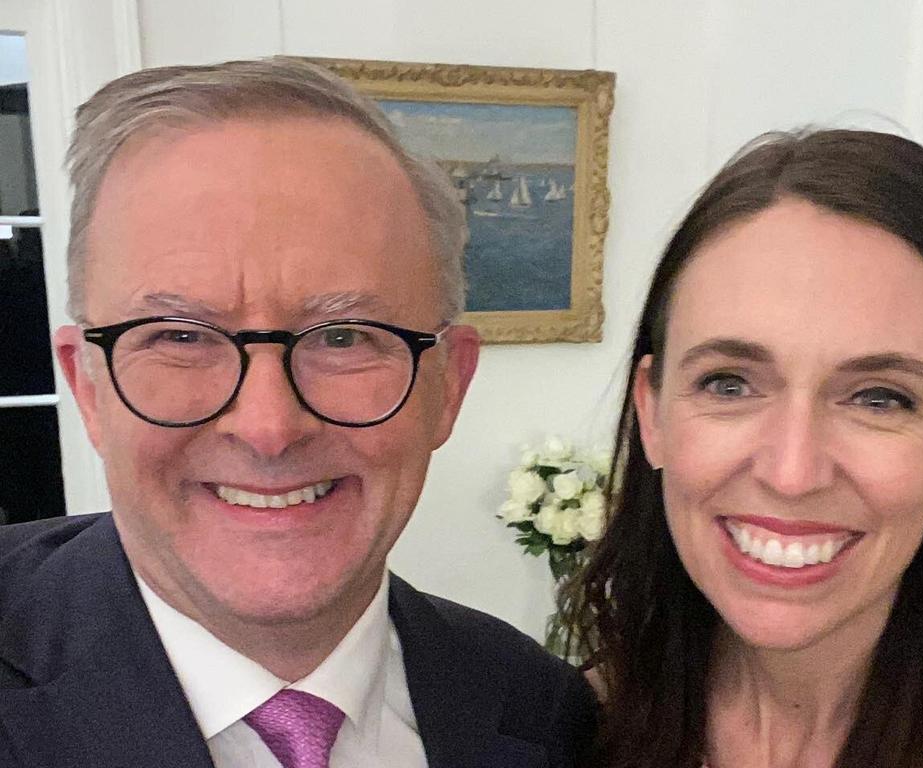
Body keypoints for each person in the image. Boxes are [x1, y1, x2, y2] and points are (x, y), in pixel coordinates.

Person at [0, 58, 596, 768]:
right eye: (181, 337)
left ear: (449, 385)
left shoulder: (548, 714)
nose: (268, 426)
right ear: (88, 389)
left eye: (345, 337)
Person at [563, 129, 923, 768]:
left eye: (880, 398)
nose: (791, 472)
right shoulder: (559, 731)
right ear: (652, 410)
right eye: (729, 383)